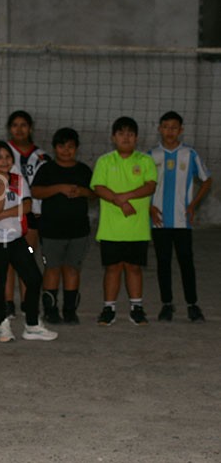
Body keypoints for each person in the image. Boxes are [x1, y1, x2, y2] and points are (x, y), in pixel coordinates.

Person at [0, 141, 58, 343]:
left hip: (16, 239)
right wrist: (2, 184)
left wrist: (5, 214)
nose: (5, 161)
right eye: (0, 158)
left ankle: (32, 325)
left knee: (34, 278)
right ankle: (2, 326)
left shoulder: (18, 179)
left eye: (8, 157)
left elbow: (28, 206)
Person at [90, 117, 157, 326]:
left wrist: (125, 197)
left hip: (137, 229)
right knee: (113, 268)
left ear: (136, 138)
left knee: (134, 268)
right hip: (110, 229)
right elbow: (98, 187)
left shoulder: (145, 160)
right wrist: (120, 202)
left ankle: (136, 308)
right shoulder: (104, 161)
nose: (125, 137)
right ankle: (108, 308)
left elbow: (150, 186)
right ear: (113, 137)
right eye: (121, 133)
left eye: (130, 134)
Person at [149, 111, 212, 322]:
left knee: (186, 262)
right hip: (159, 221)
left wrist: (194, 204)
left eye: (174, 127)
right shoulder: (151, 155)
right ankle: (167, 304)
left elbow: (207, 180)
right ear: (160, 129)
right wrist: (149, 207)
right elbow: (143, 186)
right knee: (163, 262)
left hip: (182, 220)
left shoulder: (190, 154)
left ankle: (192, 304)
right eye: (166, 127)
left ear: (181, 130)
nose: (170, 131)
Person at [31, 128, 94, 325]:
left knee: (72, 269)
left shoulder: (83, 170)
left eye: (70, 147)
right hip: (51, 230)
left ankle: (70, 310)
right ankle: (50, 310)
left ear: (77, 148)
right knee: (52, 268)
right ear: (54, 148)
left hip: (79, 230)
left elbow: (95, 193)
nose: (66, 151)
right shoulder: (47, 169)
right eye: (61, 146)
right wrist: (59, 188)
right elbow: (36, 191)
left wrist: (82, 191)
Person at [4, 110, 50, 319]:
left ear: (30, 128)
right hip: (9, 214)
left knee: (28, 258)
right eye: (15, 125)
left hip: (33, 214)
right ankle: (7, 303)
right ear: (9, 129)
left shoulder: (42, 156)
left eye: (23, 125)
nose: (19, 129)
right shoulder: (3, 153)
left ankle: (27, 302)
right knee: (8, 261)